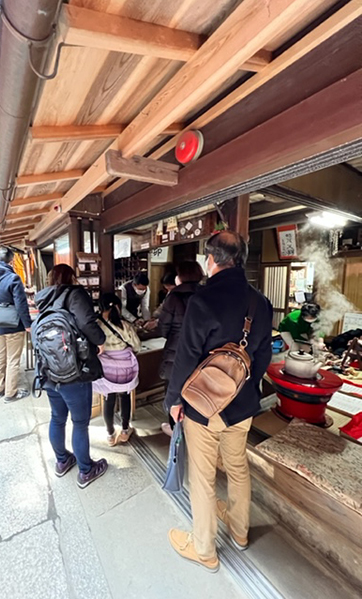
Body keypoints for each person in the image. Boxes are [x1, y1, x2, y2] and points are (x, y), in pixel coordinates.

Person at [165, 231, 273, 572]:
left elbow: (186, 357)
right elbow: (264, 356)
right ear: (239, 258)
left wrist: (174, 399)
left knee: (203, 477)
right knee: (238, 468)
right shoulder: (261, 302)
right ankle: (240, 533)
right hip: (242, 408)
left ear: (210, 260)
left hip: (203, 408)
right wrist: (246, 388)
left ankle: (205, 550)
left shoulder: (203, 300)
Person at [34, 264, 108, 489]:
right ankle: (86, 470)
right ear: (71, 277)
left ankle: (62, 460)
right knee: (80, 422)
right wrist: (101, 341)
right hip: (75, 372)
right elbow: (86, 323)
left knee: (57, 418)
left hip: (48, 371)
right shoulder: (75, 294)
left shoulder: (43, 299)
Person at [158, 261, 204, 436]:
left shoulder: (173, 296)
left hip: (176, 351)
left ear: (181, 276)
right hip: (201, 351)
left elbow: (163, 329)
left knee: (174, 390)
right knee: (196, 390)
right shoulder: (206, 294)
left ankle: (174, 429)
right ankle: (194, 429)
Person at [0, 247, 31, 403]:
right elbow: (21, 304)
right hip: (14, 325)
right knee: (13, 359)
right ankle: (11, 393)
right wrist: (28, 324)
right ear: (11, 261)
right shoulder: (13, 278)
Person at [94, 293, 141, 446]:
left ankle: (110, 435)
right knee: (125, 396)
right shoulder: (124, 325)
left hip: (106, 367)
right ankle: (125, 431)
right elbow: (137, 345)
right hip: (125, 366)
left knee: (109, 399)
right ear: (118, 307)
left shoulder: (96, 325)